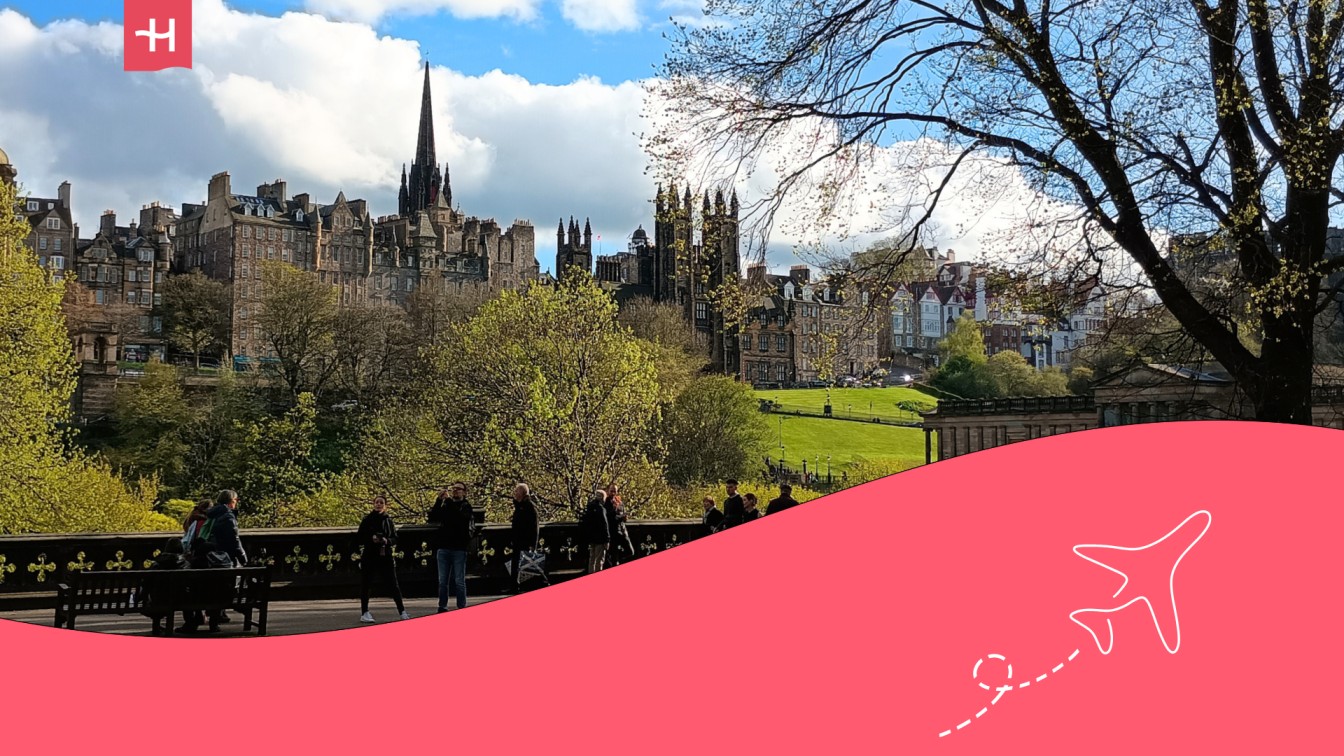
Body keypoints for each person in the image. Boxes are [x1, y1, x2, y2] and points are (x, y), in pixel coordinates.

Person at [357, 496, 408, 623]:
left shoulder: (388, 520)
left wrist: (387, 540)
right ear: (373, 504)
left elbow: (395, 538)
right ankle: (364, 612)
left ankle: (402, 611)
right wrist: (371, 538)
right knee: (366, 584)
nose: (379, 504)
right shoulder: (367, 520)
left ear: (385, 505)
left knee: (393, 583)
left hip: (385, 555)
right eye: (377, 502)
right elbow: (359, 537)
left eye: (381, 503)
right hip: (369, 555)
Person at [428, 483, 474, 613]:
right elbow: (433, 517)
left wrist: (448, 501)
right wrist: (439, 500)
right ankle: (442, 606)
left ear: (464, 492)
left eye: (458, 489)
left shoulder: (466, 506)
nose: (455, 491)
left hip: (459, 548)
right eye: (453, 489)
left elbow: (459, 519)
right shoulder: (447, 505)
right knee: (442, 581)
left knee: (459, 581)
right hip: (444, 547)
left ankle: (461, 606)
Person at [508, 483, 544, 593]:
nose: (515, 493)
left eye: (517, 491)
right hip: (517, 541)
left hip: (525, 541)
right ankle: (515, 586)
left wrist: (533, 544)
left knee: (525, 566)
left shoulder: (530, 507)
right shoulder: (519, 506)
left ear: (523, 493)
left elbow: (534, 527)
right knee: (516, 564)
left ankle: (525, 587)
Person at [603, 482, 634, 568]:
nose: (613, 493)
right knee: (614, 556)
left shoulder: (620, 502)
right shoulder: (606, 503)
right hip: (612, 533)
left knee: (630, 551)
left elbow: (623, 514)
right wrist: (621, 516)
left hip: (622, 531)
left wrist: (624, 517)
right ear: (608, 491)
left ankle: (617, 560)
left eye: (615, 491)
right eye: (611, 491)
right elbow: (610, 517)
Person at [582, 489, 611, 574]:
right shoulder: (601, 509)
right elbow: (605, 525)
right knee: (599, 560)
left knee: (592, 559)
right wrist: (607, 539)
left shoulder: (589, 507)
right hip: (600, 538)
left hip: (591, 537)